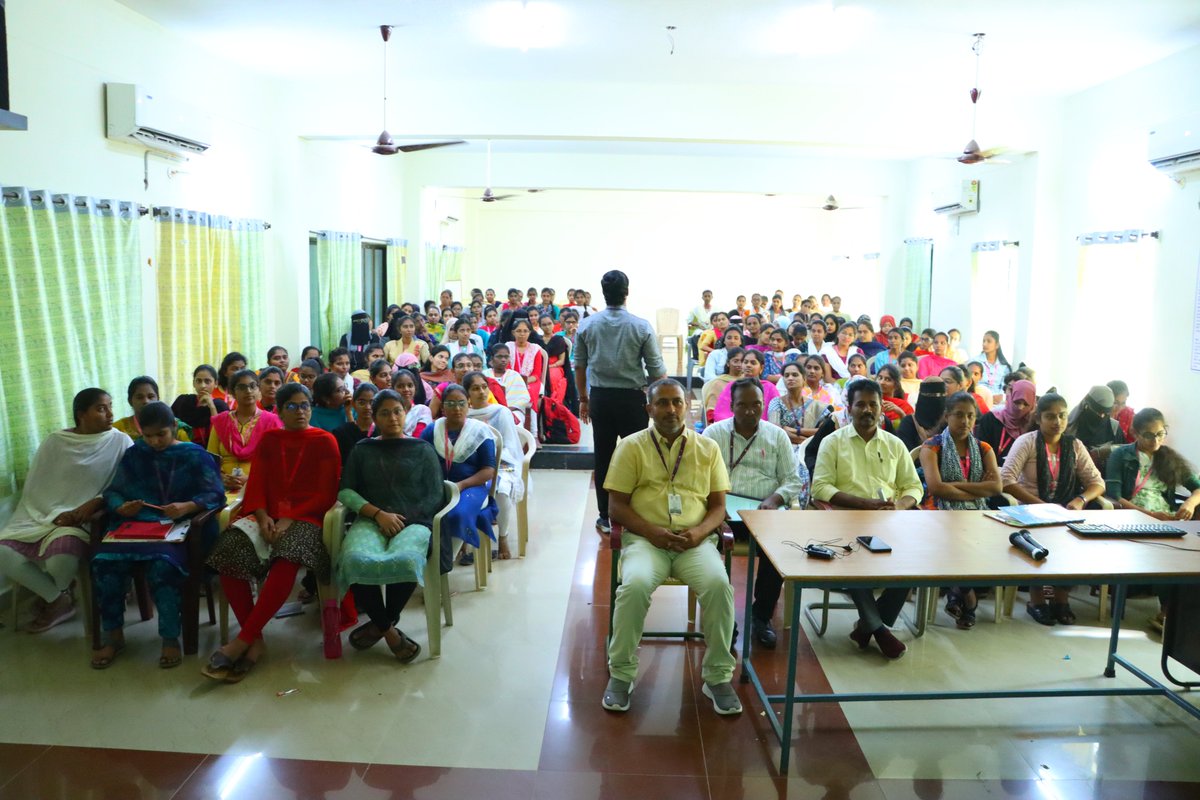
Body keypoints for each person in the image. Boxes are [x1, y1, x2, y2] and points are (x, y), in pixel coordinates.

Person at [602, 379, 740, 715]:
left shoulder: (707, 448)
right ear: (648, 409)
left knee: (719, 586)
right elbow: (616, 508)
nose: (671, 409)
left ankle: (717, 676)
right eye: (662, 403)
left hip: (694, 542)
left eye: (677, 402)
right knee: (634, 586)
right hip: (646, 541)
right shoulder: (631, 447)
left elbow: (718, 507)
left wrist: (699, 533)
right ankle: (621, 673)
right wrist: (653, 532)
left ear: (686, 406)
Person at [203, 383, 342, 682]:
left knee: (287, 557)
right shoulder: (270, 440)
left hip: (308, 518)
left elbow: (326, 494)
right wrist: (263, 515)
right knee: (228, 552)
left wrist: (291, 517)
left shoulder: (325, 441)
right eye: (292, 406)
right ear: (278, 411)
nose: (300, 411)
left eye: (305, 405)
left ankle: (242, 640)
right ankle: (256, 642)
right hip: (266, 513)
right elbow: (257, 484)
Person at [90, 402, 224, 669]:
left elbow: (215, 494)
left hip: (178, 530)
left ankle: (170, 637)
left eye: (160, 434)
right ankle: (113, 635)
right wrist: (121, 507)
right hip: (137, 527)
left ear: (174, 426)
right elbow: (114, 491)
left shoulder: (194, 455)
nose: (154, 442)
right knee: (105, 563)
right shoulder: (135, 454)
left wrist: (188, 506)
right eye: (148, 436)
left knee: (163, 566)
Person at [0, 389, 132, 633]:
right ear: (81, 414)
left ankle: (55, 596)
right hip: (41, 513)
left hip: (82, 520)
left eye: (110, 406)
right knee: (3, 553)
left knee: (60, 560)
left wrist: (95, 502)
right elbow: (37, 485)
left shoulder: (120, 441)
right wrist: (52, 513)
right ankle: (58, 600)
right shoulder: (56, 442)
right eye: (101, 408)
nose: (110, 414)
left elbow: (126, 484)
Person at [810, 379, 924, 659]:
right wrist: (863, 504)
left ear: (881, 408)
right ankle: (880, 631)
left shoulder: (895, 444)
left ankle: (866, 627)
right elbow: (820, 488)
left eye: (873, 404)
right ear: (849, 408)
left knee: (914, 561)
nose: (867, 410)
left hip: (888, 521)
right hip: (844, 520)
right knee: (853, 558)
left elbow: (914, 487)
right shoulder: (832, 442)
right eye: (860, 404)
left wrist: (900, 506)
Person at [335, 390, 443, 663]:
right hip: (372, 519)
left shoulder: (422, 449)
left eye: (397, 411)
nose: (392, 418)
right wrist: (379, 514)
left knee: (405, 559)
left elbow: (434, 495)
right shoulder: (363, 449)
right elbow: (345, 490)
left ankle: (380, 625)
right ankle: (391, 633)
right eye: (384, 413)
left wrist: (400, 519)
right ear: (374, 417)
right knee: (354, 559)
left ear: (406, 413)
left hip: (413, 521)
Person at [705, 378, 807, 648]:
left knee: (778, 549)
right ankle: (724, 617)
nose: (750, 411)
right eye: (743, 405)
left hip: (764, 513)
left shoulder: (777, 436)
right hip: (722, 514)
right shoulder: (713, 435)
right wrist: (715, 504)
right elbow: (698, 477)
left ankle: (761, 616)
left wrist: (775, 498)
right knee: (707, 550)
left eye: (756, 405)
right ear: (732, 405)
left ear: (763, 405)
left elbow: (792, 480)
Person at [573, 270, 667, 535]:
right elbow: (657, 372)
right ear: (627, 292)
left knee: (603, 456)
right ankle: (634, 514)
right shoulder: (641, 326)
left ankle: (605, 515)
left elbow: (579, 366)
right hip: (633, 400)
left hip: (600, 398)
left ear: (603, 293)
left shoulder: (587, 325)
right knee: (636, 457)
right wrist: (657, 401)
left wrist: (583, 399)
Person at [1001, 393, 1106, 626]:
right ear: (1039, 419)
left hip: (1065, 509)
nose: (1057, 421)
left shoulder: (1075, 445)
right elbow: (1006, 480)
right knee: (1038, 540)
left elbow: (1097, 483)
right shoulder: (1027, 442)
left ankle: (1061, 600)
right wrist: (1041, 506)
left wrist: (1080, 499)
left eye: (1062, 416)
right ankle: (1036, 601)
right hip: (1029, 510)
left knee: (1074, 539)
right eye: (1050, 416)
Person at [1105, 407, 1200, 631]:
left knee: (1186, 552)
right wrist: (1150, 516)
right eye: (1149, 435)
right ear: (1135, 433)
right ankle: (1167, 612)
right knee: (1165, 551)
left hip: (1166, 518)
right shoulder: (1121, 455)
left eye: (1160, 434)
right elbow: (1114, 496)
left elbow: (1197, 488)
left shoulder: (1168, 457)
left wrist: (1189, 503)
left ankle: (1179, 612)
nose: (1156, 440)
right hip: (1132, 516)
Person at [918, 392, 1003, 629]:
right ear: (947, 416)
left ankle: (957, 594)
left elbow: (996, 487)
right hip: (939, 511)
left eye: (970, 416)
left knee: (980, 536)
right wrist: (977, 490)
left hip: (975, 512)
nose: (965, 421)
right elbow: (936, 488)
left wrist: (955, 486)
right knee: (956, 536)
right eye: (959, 415)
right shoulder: (932, 447)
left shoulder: (984, 448)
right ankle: (967, 598)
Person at [421, 384, 498, 568]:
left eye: (461, 403)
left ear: (468, 404)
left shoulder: (480, 432)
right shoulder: (432, 430)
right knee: (420, 514)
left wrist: (461, 485)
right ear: (443, 407)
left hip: (471, 487)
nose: (457, 408)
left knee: (457, 514)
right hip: (437, 487)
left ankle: (445, 565)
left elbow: (488, 470)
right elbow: (419, 460)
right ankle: (428, 559)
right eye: (451, 403)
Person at [464, 371, 525, 559]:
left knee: (502, 491)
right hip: (473, 466)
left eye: (484, 387)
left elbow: (509, 445)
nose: (482, 392)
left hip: (502, 464)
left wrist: (491, 460)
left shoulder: (501, 412)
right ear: (467, 394)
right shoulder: (464, 415)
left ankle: (503, 536)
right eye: (475, 388)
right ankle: (464, 540)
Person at [208, 370, 284, 499]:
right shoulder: (221, 422)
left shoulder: (273, 422)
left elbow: (278, 463)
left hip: (260, 486)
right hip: (222, 487)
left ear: (258, 389)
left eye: (252, 386)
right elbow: (210, 460)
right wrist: (222, 478)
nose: (248, 391)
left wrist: (250, 479)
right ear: (232, 393)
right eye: (242, 387)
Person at [114, 376, 193, 443]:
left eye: (151, 396)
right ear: (130, 401)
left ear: (158, 399)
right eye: (140, 397)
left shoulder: (174, 427)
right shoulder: (118, 429)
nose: (146, 401)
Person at [974, 378, 1035, 464]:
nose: (1020, 408)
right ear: (1010, 398)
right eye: (1017, 402)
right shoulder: (991, 419)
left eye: (1026, 404)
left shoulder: (1032, 426)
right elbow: (980, 450)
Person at [768, 362, 828, 447]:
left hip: (810, 452)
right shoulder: (776, 402)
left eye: (795, 375)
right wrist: (807, 442)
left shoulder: (817, 406)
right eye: (786, 375)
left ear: (804, 379)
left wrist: (797, 431)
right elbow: (775, 431)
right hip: (784, 449)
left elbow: (824, 432)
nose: (790, 378)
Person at [171, 365, 229, 448]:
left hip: (211, 451)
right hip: (182, 449)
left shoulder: (221, 406)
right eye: (198, 381)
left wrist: (212, 407)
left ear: (216, 383)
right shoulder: (183, 401)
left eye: (207, 381)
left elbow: (222, 434)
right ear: (193, 383)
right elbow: (169, 424)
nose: (203, 385)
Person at [713, 350, 778, 422]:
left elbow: (776, 413)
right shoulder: (733, 386)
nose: (748, 365)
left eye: (753, 363)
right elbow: (721, 413)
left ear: (761, 368)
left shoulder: (770, 388)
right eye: (745, 362)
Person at [333, 383, 379, 465]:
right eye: (362, 402)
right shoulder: (341, 433)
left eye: (372, 402)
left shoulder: (383, 432)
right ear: (353, 404)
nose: (367, 407)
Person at [1067, 385, 1125, 450]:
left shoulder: (1114, 429)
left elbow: (1122, 452)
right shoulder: (1071, 427)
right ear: (1087, 406)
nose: (1102, 416)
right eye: (1098, 412)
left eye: (1106, 413)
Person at [896, 377, 947, 451]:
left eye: (940, 395)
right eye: (929, 395)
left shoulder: (949, 422)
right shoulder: (909, 423)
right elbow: (906, 453)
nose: (935, 399)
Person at [701, 346, 745, 424]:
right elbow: (711, 409)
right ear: (728, 363)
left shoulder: (748, 381)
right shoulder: (718, 383)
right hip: (723, 423)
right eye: (735, 361)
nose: (739, 364)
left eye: (742, 361)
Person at [391, 369, 434, 438]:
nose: (406, 389)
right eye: (400, 386)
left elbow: (418, 438)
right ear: (393, 389)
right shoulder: (389, 412)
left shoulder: (422, 410)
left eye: (410, 385)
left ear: (415, 388)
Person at [975, 330, 1012, 403]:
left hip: (998, 400)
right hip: (979, 398)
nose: (984, 344)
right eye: (983, 341)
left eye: (989, 341)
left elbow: (1005, 386)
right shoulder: (975, 361)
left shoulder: (1004, 366)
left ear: (997, 345)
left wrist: (1001, 396)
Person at [875, 364, 913, 428]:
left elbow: (911, 429)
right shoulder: (870, 402)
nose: (882, 382)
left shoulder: (904, 406)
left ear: (896, 385)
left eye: (887, 379)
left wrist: (900, 412)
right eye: (880, 378)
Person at [542, 318, 571, 404]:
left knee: (552, 377)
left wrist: (549, 367)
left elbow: (562, 361)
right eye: (544, 325)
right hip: (540, 366)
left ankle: (554, 403)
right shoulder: (538, 340)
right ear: (540, 326)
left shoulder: (558, 340)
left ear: (553, 324)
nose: (547, 327)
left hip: (555, 366)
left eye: (549, 324)